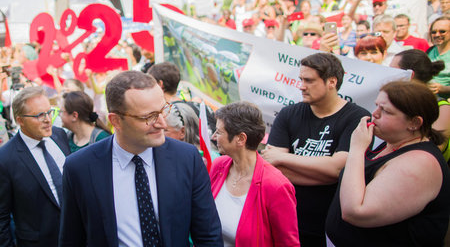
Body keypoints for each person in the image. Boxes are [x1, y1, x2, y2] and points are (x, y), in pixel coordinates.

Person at [59, 71, 222, 246]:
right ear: (116, 121)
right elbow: (71, 239)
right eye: (148, 117)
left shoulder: (186, 158)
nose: (162, 123)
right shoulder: (80, 167)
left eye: (163, 110)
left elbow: (208, 235)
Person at [261, 53, 370, 247]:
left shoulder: (357, 117)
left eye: (309, 80)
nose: (301, 86)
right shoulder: (289, 114)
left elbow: (339, 169)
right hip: (288, 217)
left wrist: (284, 158)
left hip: (330, 225)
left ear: (331, 82)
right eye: (301, 79)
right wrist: (326, 171)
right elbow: (274, 168)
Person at [326, 81, 450, 246]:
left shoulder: (420, 164)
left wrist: (356, 148)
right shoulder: (391, 142)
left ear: (414, 123)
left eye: (385, 111)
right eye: (377, 106)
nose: (374, 114)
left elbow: (355, 212)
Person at [210, 101, 300, 246]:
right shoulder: (219, 166)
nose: (214, 137)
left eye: (219, 132)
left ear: (241, 139)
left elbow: (288, 243)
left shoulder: (276, 186)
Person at [0, 86, 70, 246]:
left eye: (49, 112)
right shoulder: (5, 159)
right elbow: (2, 218)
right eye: (39, 115)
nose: (47, 120)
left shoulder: (59, 135)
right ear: (20, 120)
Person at [390, 49, 450, 162]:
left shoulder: (443, 108)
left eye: (393, 71)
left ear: (410, 75)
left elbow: (434, 148)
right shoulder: (394, 103)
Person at [427, 16, 450, 99]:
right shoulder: (428, 52)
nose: (437, 35)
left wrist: (444, 89)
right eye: (433, 32)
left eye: (442, 31)